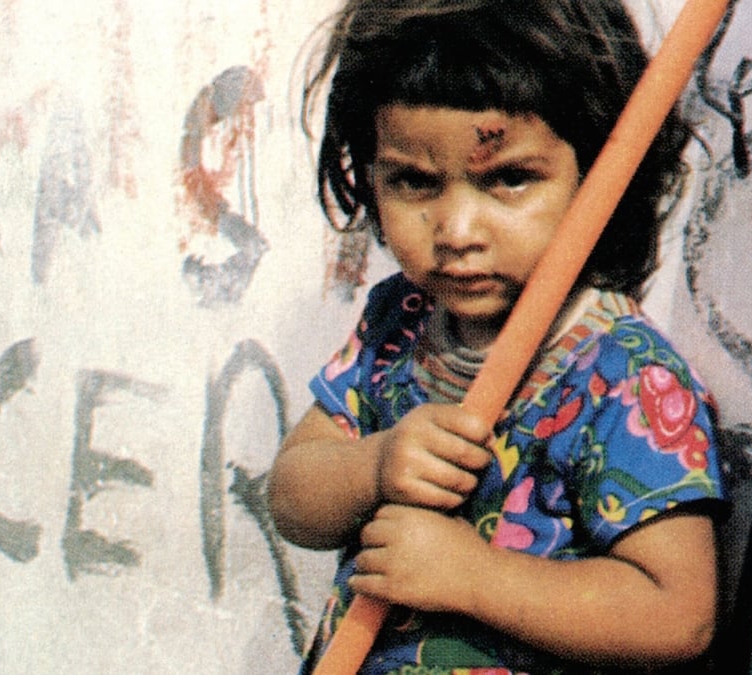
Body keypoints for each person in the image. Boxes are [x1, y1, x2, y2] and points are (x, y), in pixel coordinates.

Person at [268, 1, 727, 672]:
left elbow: (677, 613)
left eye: (509, 178)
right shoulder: (399, 323)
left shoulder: (625, 372)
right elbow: (292, 495)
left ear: (597, 171)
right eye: (415, 182)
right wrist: (375, 465)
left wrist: (472, 576)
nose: (456, 230)